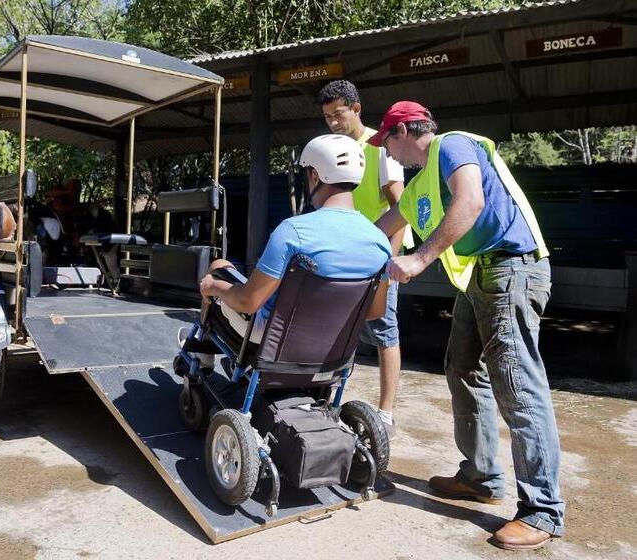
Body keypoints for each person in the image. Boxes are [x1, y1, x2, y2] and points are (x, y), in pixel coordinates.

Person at [369, 100, 564, 550]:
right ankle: (480, 476)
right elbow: (383, 226)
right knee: (462, 368)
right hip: (482, 275)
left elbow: (471, 200)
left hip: (512, 270)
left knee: (518, 386)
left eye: (388, 143)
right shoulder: (421, 184)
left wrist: (419, 257)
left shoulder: (452, 145)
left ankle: (543, 511)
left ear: (404, 132)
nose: (388, 154)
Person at [182, 134, 392, 367]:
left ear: (314, 175)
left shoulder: (293, 231)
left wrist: (213, 286)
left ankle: (202, 355)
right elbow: (375, 310)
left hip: (275, 338)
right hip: (333, 343)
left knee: (218, 267)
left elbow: (248, 302)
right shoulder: (380, 242)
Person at [317, 80, 410, 437]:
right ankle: (326, 398)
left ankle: (385, 412)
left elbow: (400, 207)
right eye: (326, 117)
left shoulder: (380, 148)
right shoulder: (330, 149)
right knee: (339, 328)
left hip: (379, 255)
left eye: (337, 114)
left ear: (356, 109)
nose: (333, 123)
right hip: (346, 254)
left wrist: (391, 260)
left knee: (384, 329)